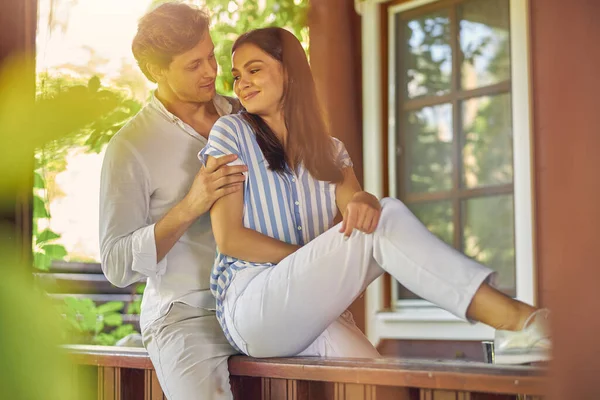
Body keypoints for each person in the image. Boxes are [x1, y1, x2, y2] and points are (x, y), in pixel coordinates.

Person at [199, 27, 551, 365]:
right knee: (388, 215)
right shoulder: (231, 132)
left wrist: (364, 200)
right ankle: (519, 321)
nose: (241, 83)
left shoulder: (330, 151)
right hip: (251, 305)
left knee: (374, 379)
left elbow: (359, 212)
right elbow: (230, 239)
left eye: (254, 70)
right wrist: (307, 261)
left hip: (305, 311)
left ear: (290, 72)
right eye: (237, 75)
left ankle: (522, 328)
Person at [99, 4, 247, 399]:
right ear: (156, 71)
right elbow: (115, 263)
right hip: (185, 316)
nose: (212, 71)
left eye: (211, 55)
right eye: (193, 64)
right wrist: (190, 205)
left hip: (257, 296)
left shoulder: (244, 116)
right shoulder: (130, 147)